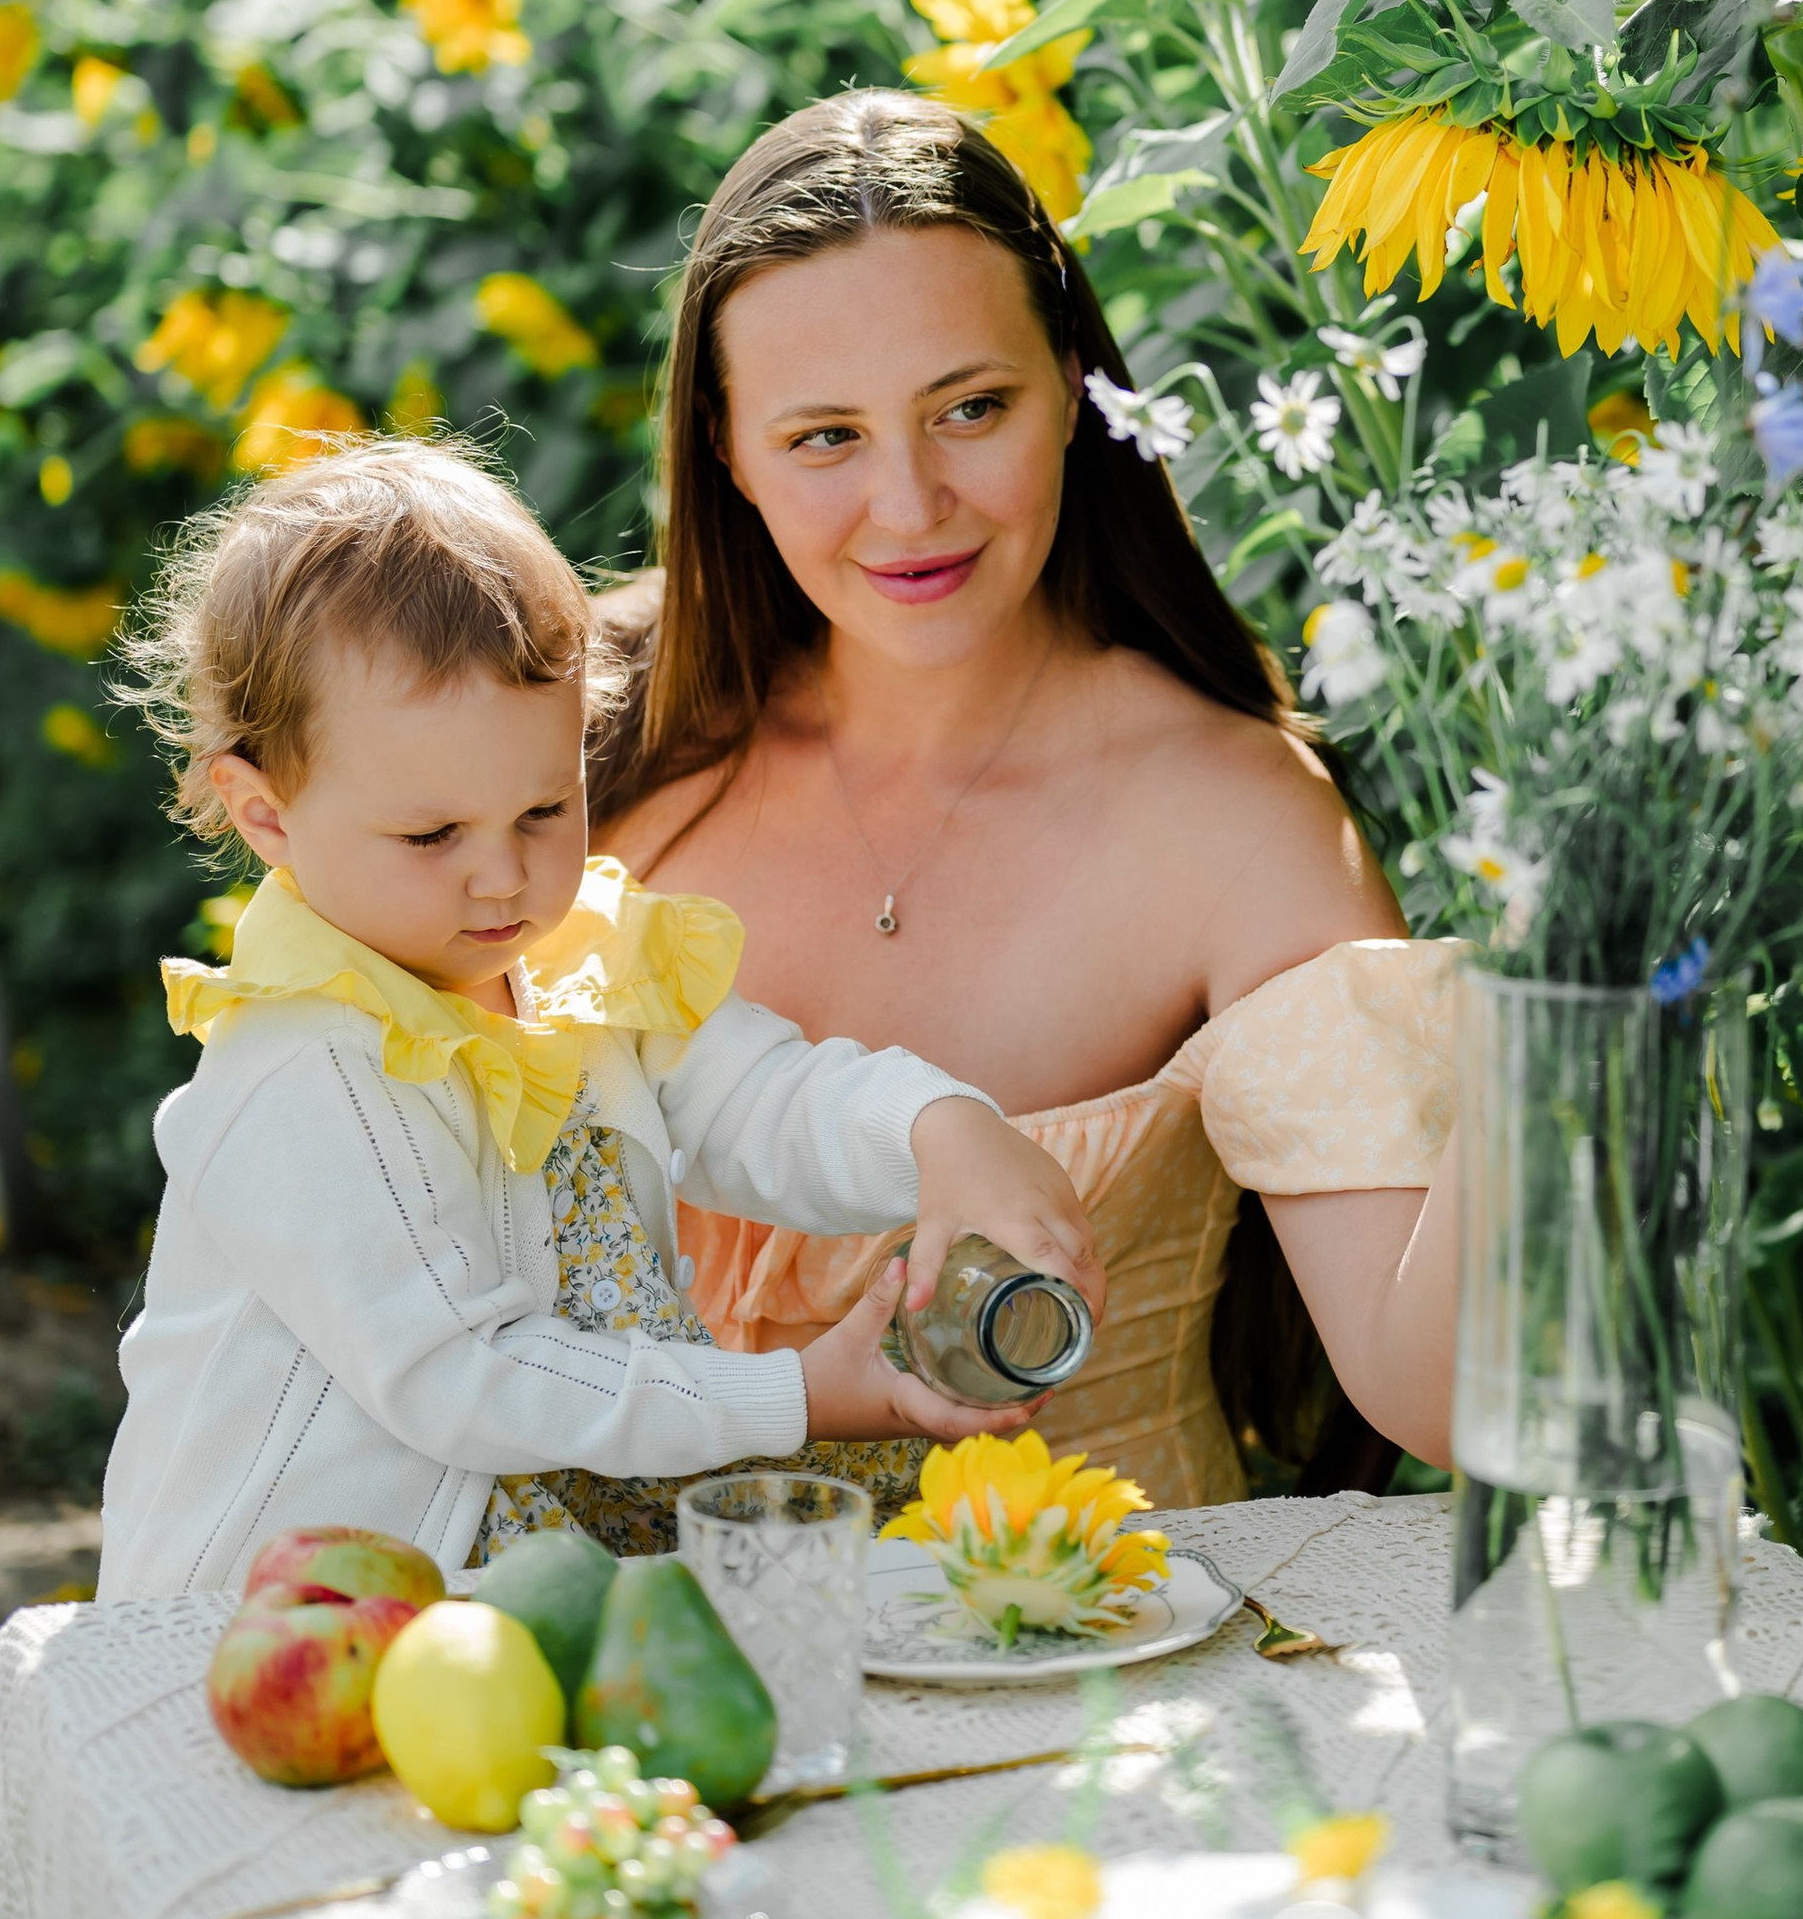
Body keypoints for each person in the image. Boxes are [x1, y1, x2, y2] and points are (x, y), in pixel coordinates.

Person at [592, 87, 1461, 1509]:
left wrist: (1560, 1002)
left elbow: (1423, 1393)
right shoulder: (586, 753)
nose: (912, 503)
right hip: (612, 1676)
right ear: (726, 443)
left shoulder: (1240, 818)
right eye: (825, 438)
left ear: (1069, 383)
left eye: (971, 408)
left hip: (1107, 1670)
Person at [98, 440, 1102, 1601]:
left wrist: (937, 1127)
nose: (501, 878)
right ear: (265, 813)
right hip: (306, 1601)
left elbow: (763, 1098)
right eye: (433, 836)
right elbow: (465, 1374)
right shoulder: (301, 1067)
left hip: (560, 1534)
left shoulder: (575, 959)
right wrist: (797, 1393)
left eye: (545, 806)